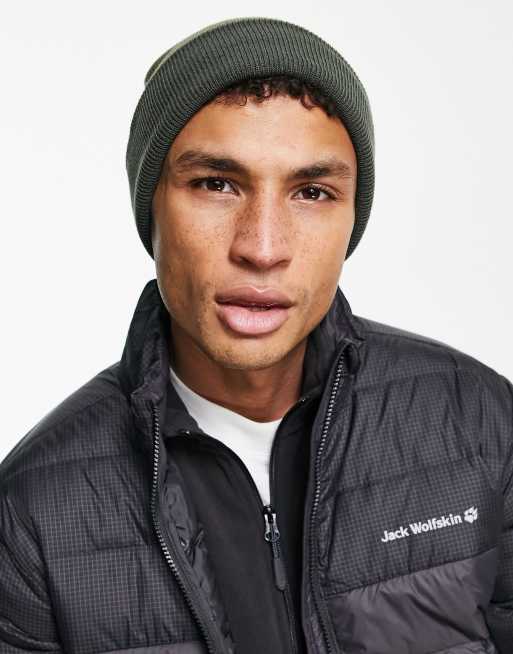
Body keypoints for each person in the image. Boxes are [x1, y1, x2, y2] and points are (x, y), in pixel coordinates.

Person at [0, 16, 511, 654]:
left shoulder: (483, 425)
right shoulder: (33, 509)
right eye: (215, 184)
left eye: (312, 192)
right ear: (151, 207)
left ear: (352, 219)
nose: (262, 248)